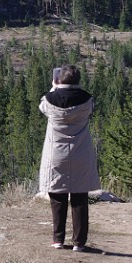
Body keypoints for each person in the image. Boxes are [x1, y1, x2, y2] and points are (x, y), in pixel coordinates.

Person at [39, 64, 101, 251]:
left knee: (57, 196)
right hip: (80, 152)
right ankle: (79, 242)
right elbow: (91, 108)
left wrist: (53, 87)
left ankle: (58, 239)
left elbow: (42, 108)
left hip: (56, 153)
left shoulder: (49, 99)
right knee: (80, 198)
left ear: (59, 79)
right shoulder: (86, 100)